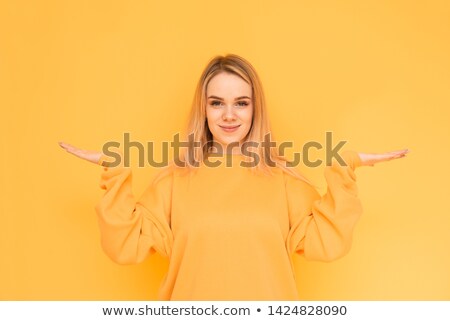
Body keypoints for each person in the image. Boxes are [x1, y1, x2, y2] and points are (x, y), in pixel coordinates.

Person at [58, 54, 408, 300]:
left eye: (241, 102)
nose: (228, 115)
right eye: (216, 103)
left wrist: (344, 168)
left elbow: (326, 243)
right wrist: (115, 171)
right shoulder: (174, 181)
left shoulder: (283, 179)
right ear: (203, 108)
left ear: (256, 108)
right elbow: (124, 246)